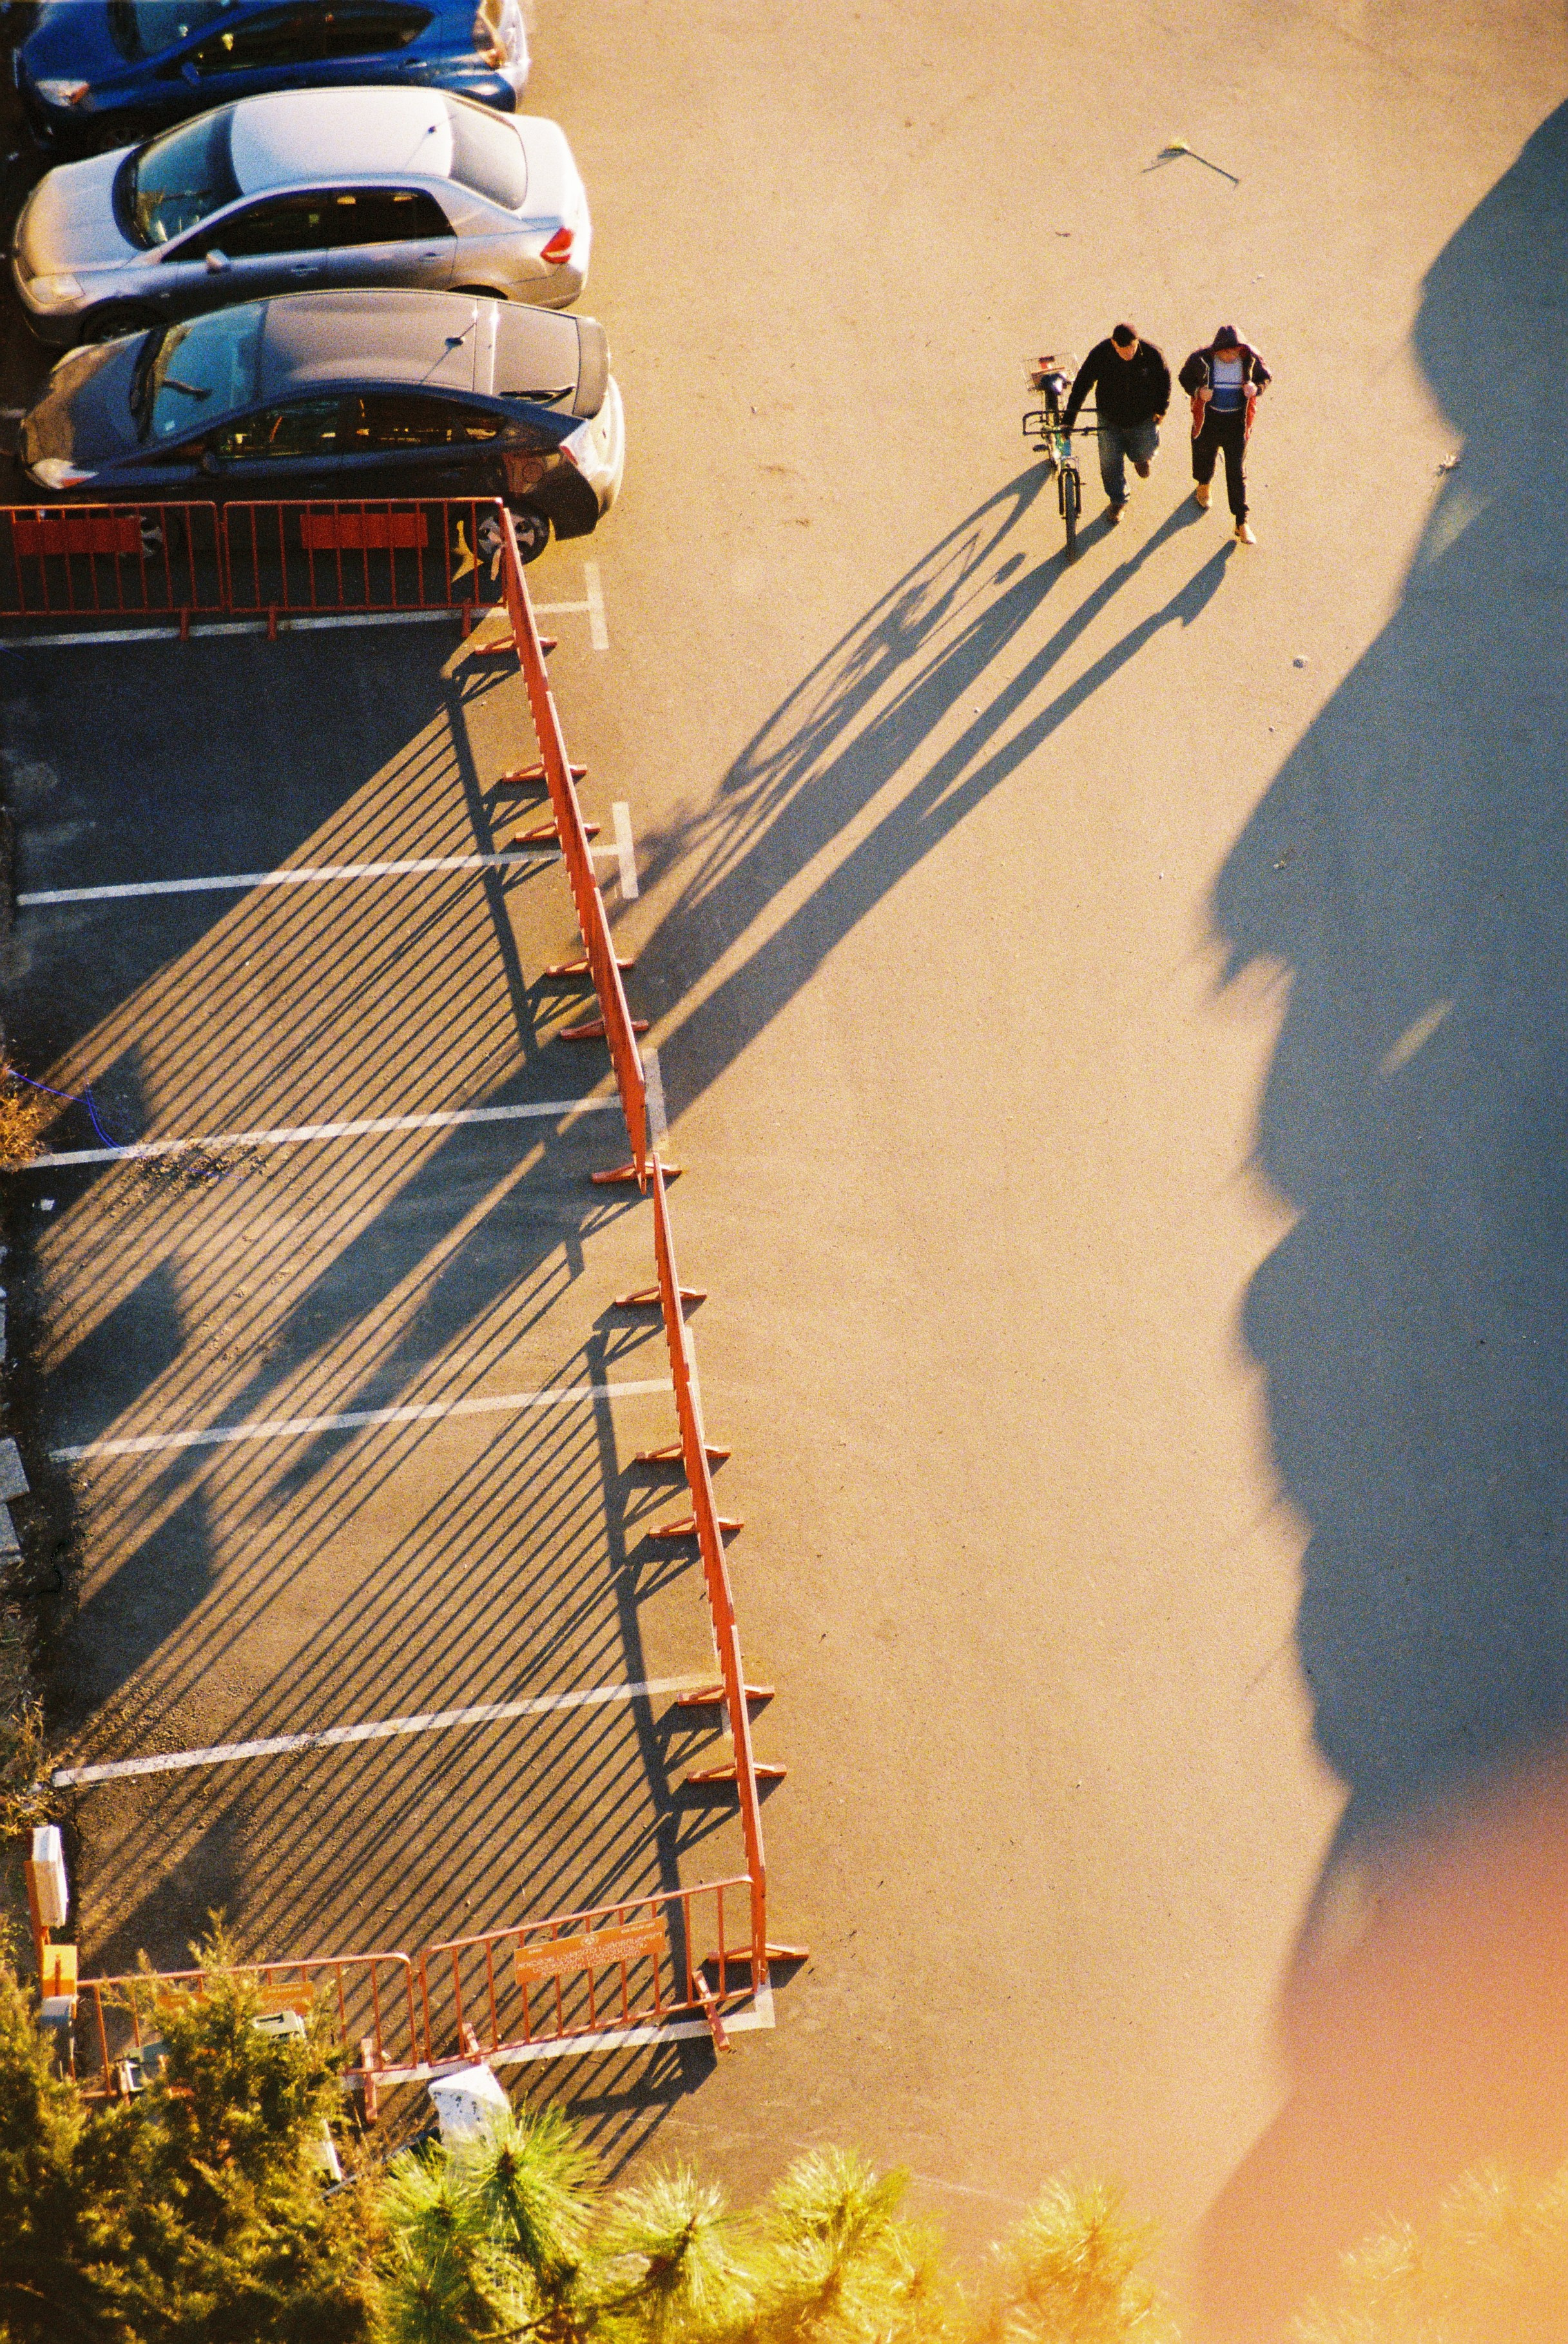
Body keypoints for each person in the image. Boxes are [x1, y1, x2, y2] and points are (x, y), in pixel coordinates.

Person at [1062, 324, 1172, 524]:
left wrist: (1161, 409)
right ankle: (1118, 500)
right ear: (1114, 344)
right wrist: (1069, 420)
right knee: (1110, 464)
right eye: (1123, 349)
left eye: (1132, 348)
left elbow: (1164, 381)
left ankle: (1141, 460)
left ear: (1137, 342)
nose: (1128, 353)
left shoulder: (1153, 354)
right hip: (1109, 419)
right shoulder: (1101, 354)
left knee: (1145, 450)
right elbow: (1082, 385)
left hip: (1142, 418)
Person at [1178, 325, 1272, 545]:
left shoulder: (1250, 359)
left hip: (1236, 424)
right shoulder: (1201, 359)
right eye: (1226, 352)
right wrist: (1198, 392)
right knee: (1204, 459)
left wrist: (1256, 389)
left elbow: (1265, 378)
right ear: (1217, 350)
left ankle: (1241, 522)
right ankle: (1203, 485)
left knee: (1237, 472)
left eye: (1235, 351)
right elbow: (1184, 378)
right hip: (1209, 420)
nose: (1231, 356)